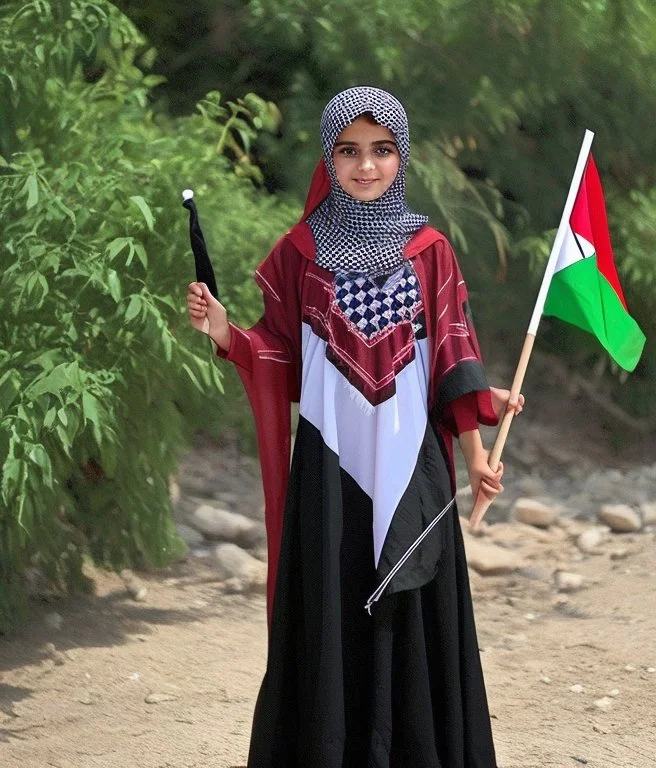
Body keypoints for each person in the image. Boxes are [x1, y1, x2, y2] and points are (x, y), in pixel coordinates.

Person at [186, 86, 523, 768]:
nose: (365, 166)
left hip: (412, 465)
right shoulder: (299, 251)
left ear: (401, 156)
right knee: (332, 615)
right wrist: (225, 332)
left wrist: (478, 453)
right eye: (349, 152)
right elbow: (279, 351)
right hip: (329, 465)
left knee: (413, 616)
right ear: (329, 158)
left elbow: (455, 354)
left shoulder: (430, 251)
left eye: (381, 150)